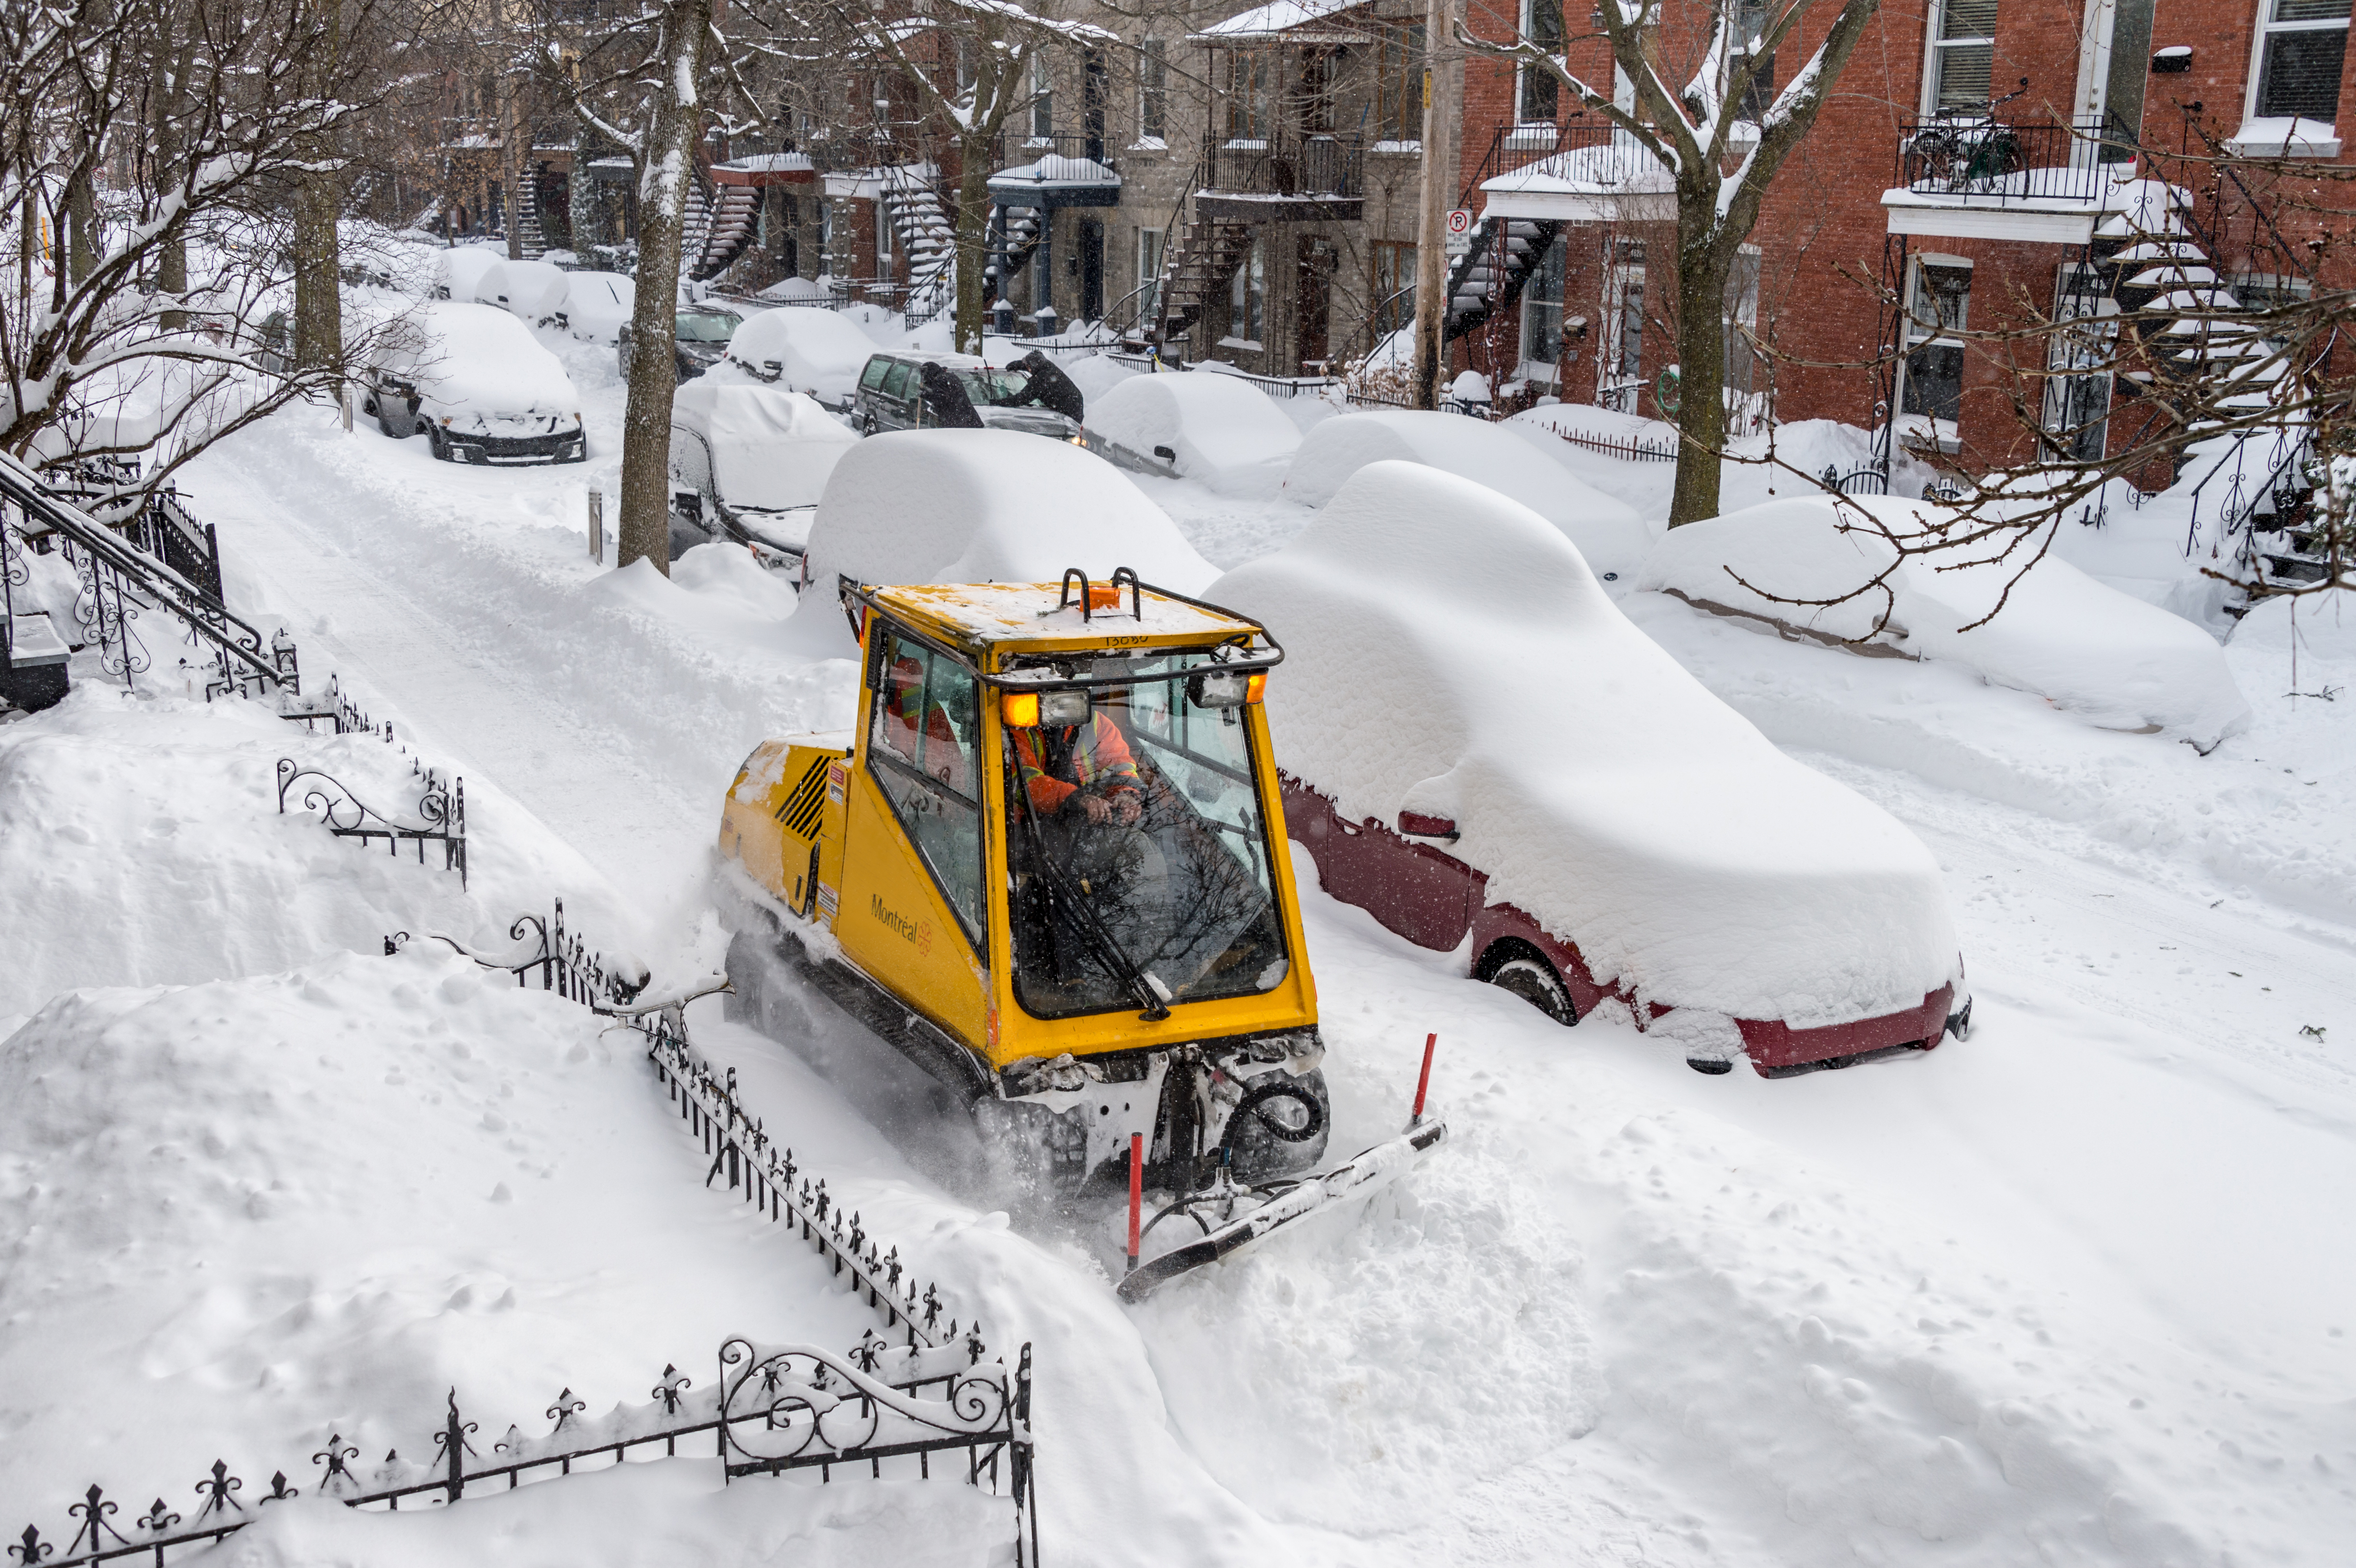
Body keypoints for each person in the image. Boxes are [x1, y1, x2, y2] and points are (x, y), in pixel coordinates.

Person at [1011, 708, 1142, 826]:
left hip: (1089, 824)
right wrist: (1074, 798)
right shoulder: (1015, 726)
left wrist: (1125, 794)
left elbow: (1120, 766)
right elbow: (1022, 783)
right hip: (1026, 830)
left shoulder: (1097, 724)